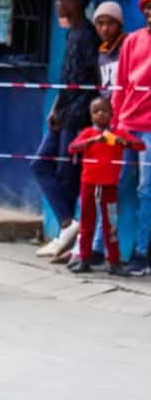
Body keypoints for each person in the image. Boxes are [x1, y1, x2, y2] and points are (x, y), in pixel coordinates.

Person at [33, 0, 99, 259]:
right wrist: (56, 107)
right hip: (62, 114)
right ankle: (67, 225)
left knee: (67, 176)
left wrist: (69, 114)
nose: (60, 4)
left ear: (79, 2)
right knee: (40, 165)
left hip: (76, 119)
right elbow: (68, 80)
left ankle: (70, 239)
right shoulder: (71, 33)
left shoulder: (88, 35)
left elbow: (92, 83)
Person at [60, 0, 127, 268]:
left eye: (110, 23)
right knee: (89, 207)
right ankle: (85, 251)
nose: (105, 28)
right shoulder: (100, 52)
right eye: (100, 23)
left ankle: (107, 254)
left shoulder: (125, 49)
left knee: (111, 204)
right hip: (101, 134)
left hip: (119, 122)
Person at [67, 97, 144, 275]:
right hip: (89, 185)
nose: (100, 114)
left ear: (112, 114)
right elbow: (72, 148)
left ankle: (113, 262)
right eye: (96, 111)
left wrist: (124, 142)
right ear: (91, 116)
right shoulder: (87, 133)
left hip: (109, 187)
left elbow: (140, 146)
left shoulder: (117, 134)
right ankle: (84, 259)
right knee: (87, 223)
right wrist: (93, 141)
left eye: (104, 110)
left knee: (111, 224)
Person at [111, 0, 151, 277]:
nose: (150, 13)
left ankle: (141, 253)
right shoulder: (133, 42)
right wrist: (114, 123)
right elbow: (120, 84)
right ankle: (103, 250)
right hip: (126, 125)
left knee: (146, 192)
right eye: (147, 8)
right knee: (112, 185)